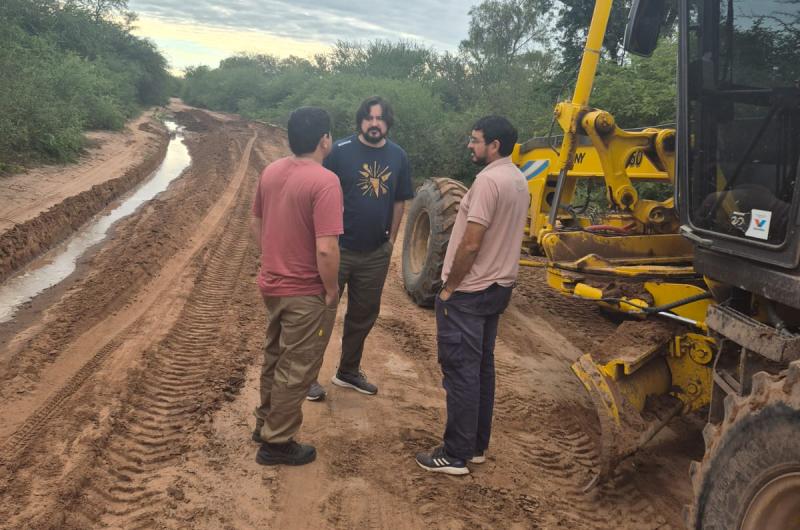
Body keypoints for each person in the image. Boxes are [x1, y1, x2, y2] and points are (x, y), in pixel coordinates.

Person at [415, 116, 529, 475]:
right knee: (481, 369)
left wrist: (449, 287)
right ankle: (475, 446)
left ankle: (455, 454)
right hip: (498, 288)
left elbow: (471, 243)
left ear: (494, 145)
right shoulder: (518, 179)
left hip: (470, 290)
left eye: (475, 140)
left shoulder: (488, 182)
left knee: (461, 372)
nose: (470, 145)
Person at [251, 106, 343, 466]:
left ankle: (264, 423)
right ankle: (277, 442)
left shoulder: (271, 171)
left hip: (272, 284)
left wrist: (271, 260)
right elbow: (326, 248)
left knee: (275, 356)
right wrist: (331, 288)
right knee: (297, 367)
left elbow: (256, 222)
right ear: (324, 139)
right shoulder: (325, 181)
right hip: (304, 291)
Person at [306, 96, 414, 400]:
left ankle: (348, 371)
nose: (374, 124)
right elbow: (316, 192)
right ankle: (307, 377)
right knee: (321, 312)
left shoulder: (399, 156)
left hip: (375, 253)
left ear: (387, 122)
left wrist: (390, 242)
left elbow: (399, 201)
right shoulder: (339, 151)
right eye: (369, 118)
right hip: (337, 249)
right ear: (360, 121)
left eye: (380, 118)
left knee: (363, 315)